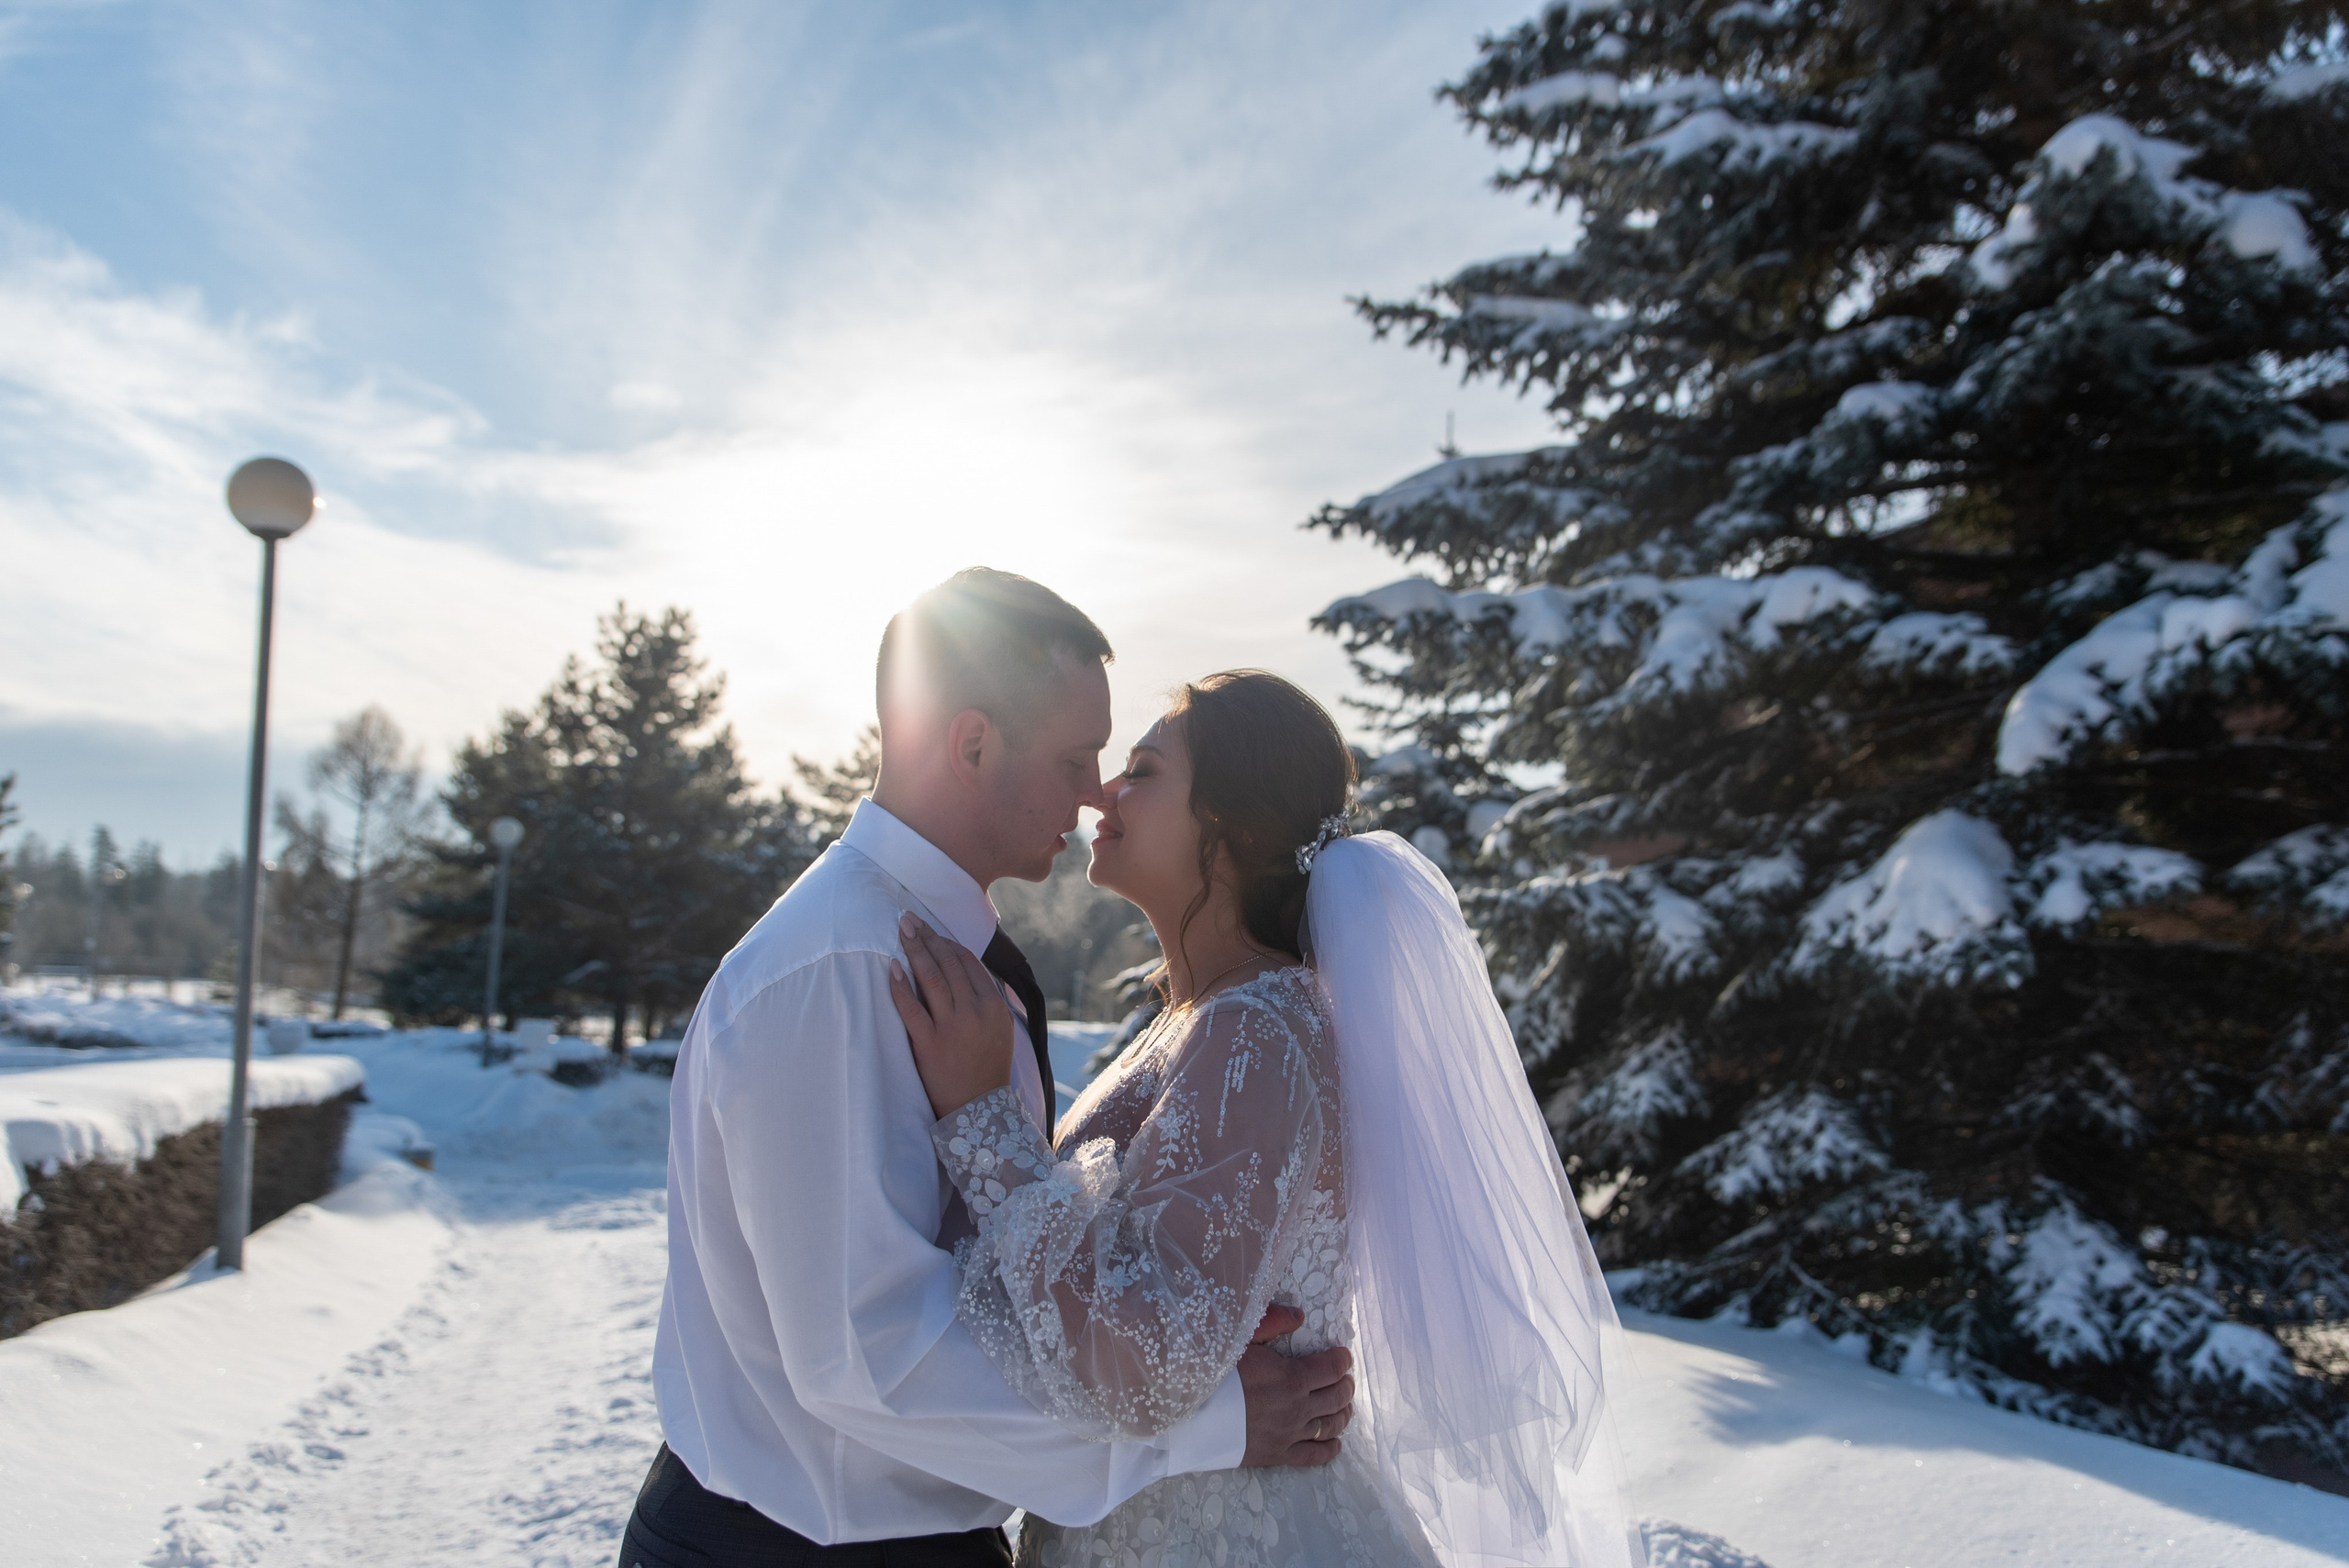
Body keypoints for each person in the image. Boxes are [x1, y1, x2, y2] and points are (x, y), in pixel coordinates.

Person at [623, 576, 1355, 1568]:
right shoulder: (842, 970)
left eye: (1123, 761)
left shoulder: (942, 958)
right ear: (971, 745)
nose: (1096, 788)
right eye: (1077, 757)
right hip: (799, 1546)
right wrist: (1206, 1426)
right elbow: (869, 1354)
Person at [893, 670, 1642, 1568]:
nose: (1103, 791)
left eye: (1141, 769)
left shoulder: (1256, 1029)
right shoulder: (1201, 1019)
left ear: (1230, 824)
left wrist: (981, 1119)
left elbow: (1150, 1363)